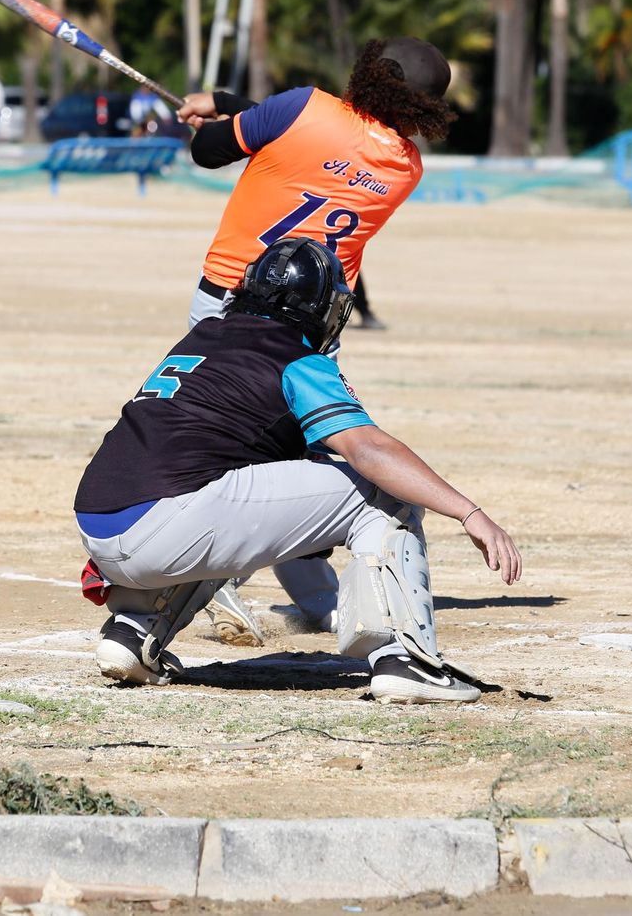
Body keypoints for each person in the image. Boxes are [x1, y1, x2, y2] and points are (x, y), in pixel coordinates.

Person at [74, 238, 522, 704]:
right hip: (169, 523)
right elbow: (368, 450)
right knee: (383, 490)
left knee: (231, 485)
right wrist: (470, 513)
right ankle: (404, 658)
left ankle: (134, 631)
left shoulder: (204, 335)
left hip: (101, 526)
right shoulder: (296, 358)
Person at [172, 37, 454, 644]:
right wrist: (229, 103)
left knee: (221, 438)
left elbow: (211, 150)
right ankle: (321, 599)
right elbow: (317, 137)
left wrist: (218, 118)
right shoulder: (405, 167)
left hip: (227, 301)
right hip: (313, 322)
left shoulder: (301, 107)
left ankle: (206, 581)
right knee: (303, 447)